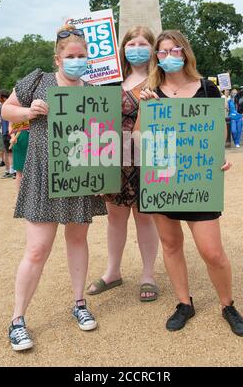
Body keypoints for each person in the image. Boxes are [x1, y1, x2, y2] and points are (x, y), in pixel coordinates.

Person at [138, 30, 243, 337]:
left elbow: (215, 139)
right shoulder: (151, 92)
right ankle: (184, 303)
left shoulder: (207, 89)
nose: (169, 57)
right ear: (156, 58)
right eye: (162, 52)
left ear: (185, 53)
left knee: (212, 252)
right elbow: (138, 139)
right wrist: (144, 108)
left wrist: (223, 159)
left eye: (175, 51)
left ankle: (228, 305)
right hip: (162, 181)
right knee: (171, 244)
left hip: (198, 181)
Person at [1, 24, 107, 352]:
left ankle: (79, 303)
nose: (76, 60)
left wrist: (102, 174)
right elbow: (6, 111)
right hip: (43, 176)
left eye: (82, 55)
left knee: (77, 239)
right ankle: (17, 320)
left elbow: (103, 139)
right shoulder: (39, 81)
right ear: (57, 58)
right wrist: (27, 111)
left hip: (79, 177)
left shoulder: (94, 91)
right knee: (37, 250)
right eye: (70, 56)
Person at [87, 26, 159, 301]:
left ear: (152, 48)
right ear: (123, 47)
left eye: (143, 43)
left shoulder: (158, 80)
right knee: (115, 219)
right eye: (132, 43)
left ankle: (148, 274)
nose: (137, 48)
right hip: (113, 157)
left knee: (145, 218)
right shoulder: (110, 80)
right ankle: (112, 272)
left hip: (144, 157)